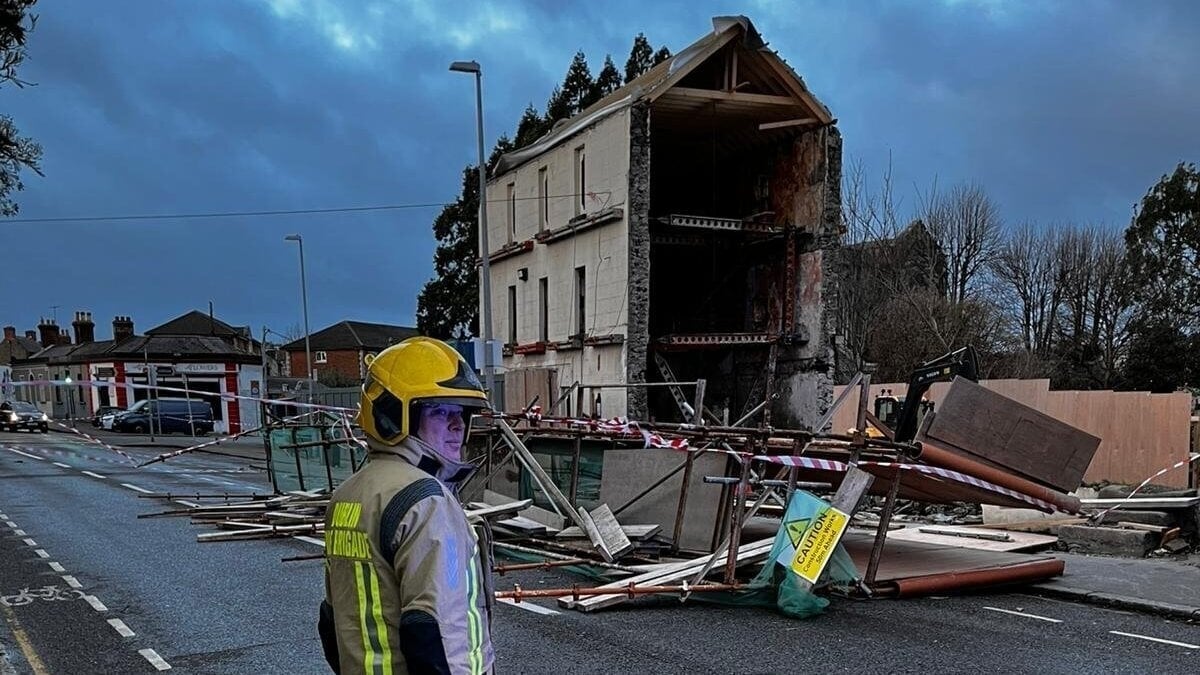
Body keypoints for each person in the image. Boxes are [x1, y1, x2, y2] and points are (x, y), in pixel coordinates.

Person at [319, 336, 494, 674]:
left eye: (461, 413)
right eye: (440, 411)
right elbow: (432, 630)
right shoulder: (427, 501)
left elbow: (331, 621)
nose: (458, 425)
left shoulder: (347, 495)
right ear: (393, 415)